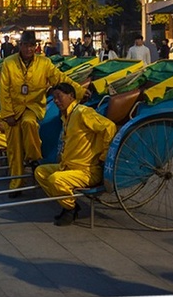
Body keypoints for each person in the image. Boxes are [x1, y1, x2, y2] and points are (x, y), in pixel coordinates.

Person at [0, 29, 86, 196]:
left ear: (35, 47)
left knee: (28, 122)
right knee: (14, 148)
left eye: (32, 46)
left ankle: (33, 156)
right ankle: (16, 183)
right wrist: (8, 114)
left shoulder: (44, 63)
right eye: (25, 45)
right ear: (20, 45)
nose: (28, 49)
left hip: (32, 106)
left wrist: (79, 91)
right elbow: (4, 90)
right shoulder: (9, 63)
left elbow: (60, 79)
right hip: (14, 108)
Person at [34, 82, 116, 226]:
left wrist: (104, 156)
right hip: (68, 167)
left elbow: (109, 127)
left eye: (59, 97)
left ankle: (69, 209)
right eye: (54, 98)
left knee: (55, 180)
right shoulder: (65, 116)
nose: (56, 101)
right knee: (40, 172)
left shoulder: (82, 112)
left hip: (87, 170)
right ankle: (70, 205)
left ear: (71, 96)